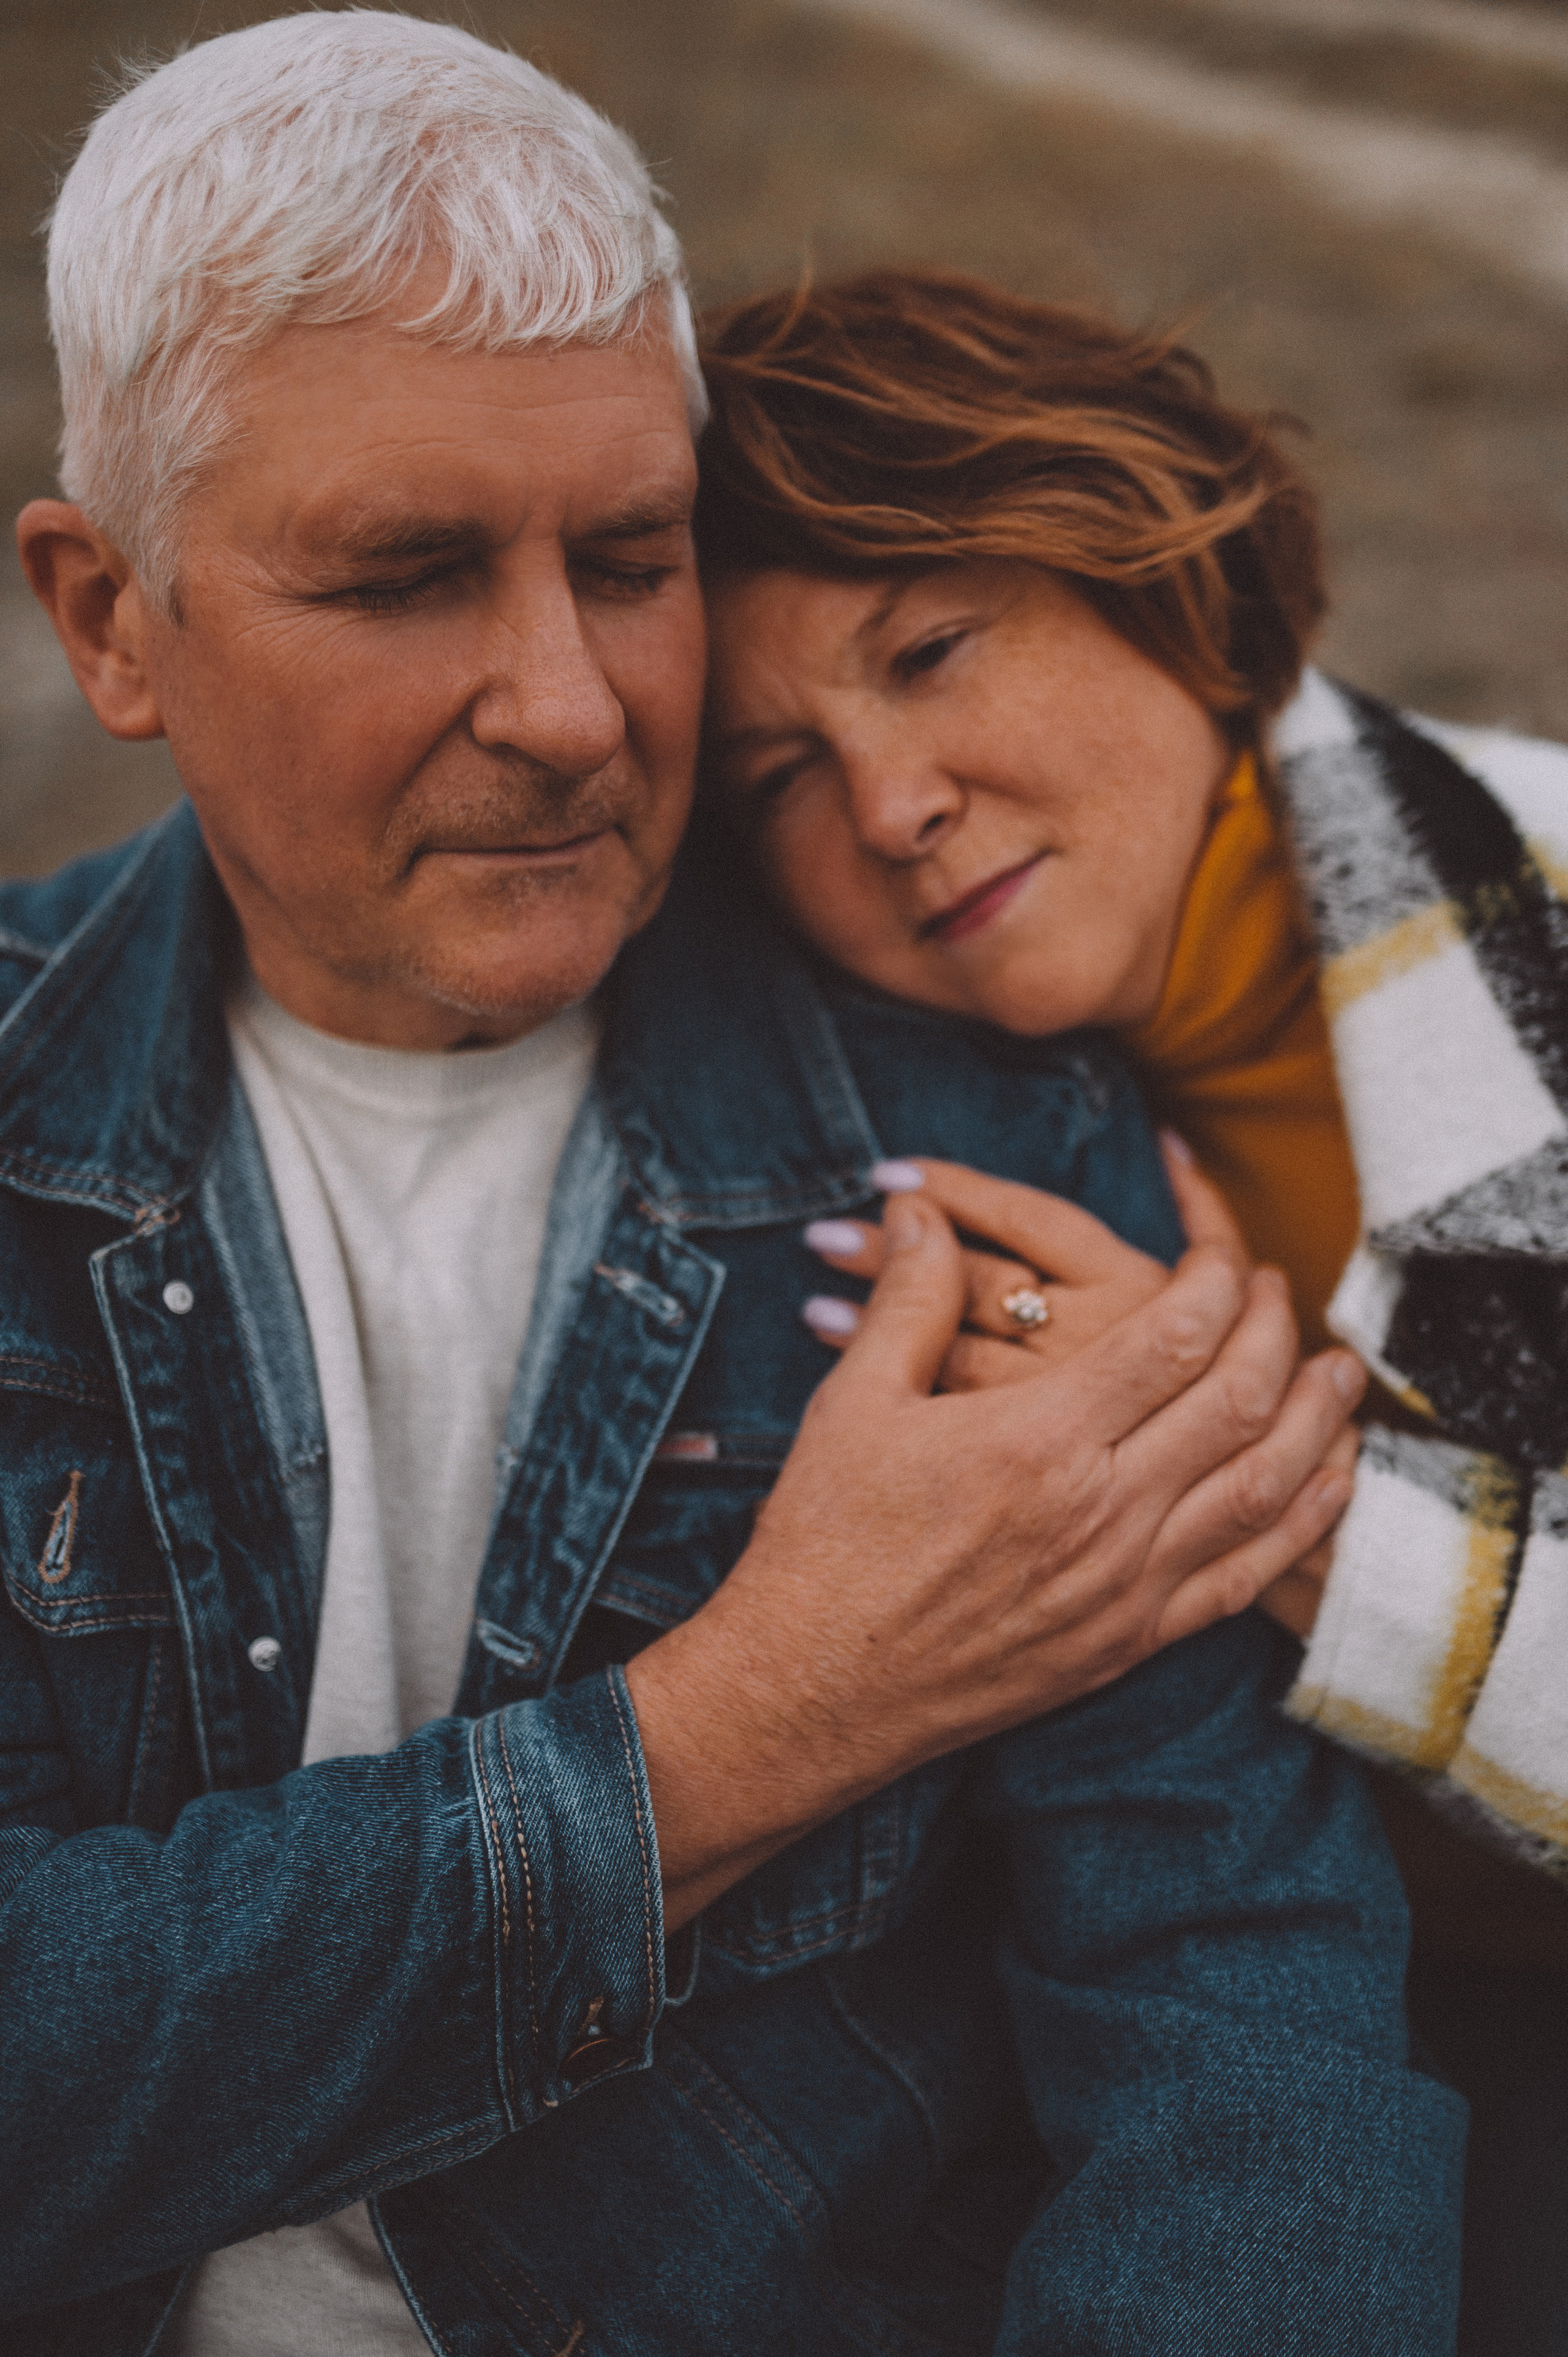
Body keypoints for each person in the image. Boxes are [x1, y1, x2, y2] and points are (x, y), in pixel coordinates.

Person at [1, 18, 1455, 2353]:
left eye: (634, 559)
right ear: (110, 619)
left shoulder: (993, 1149)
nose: (572, 702)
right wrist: (751, 1729)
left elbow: (1238, 2052)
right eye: (406, 577)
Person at [695, 267, 1568, 2356]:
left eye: (926, 651)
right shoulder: (861, 1138)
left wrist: (1270, 1509)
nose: (893, 803)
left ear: (1154, 570)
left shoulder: (1533, 902)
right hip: (1319, 2051)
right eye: (778, 778)